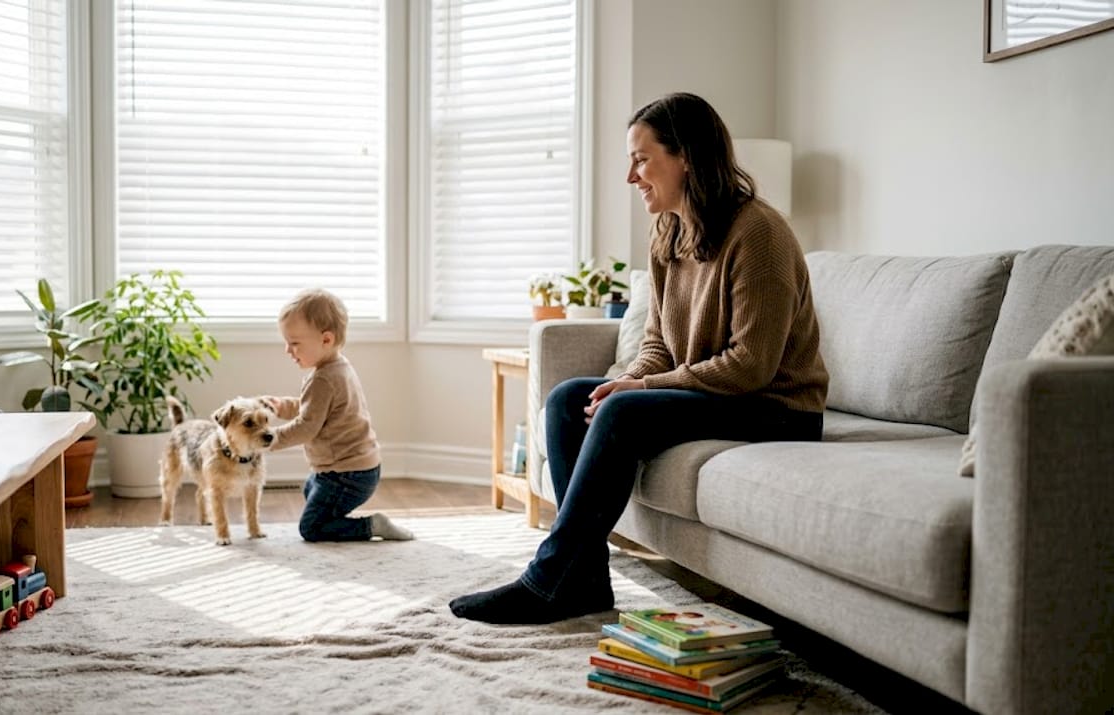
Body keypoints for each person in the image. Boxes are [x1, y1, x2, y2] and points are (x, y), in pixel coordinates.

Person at [449, 92, 829, 624]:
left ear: (687, 158)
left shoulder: (760, 234)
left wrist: (641, 391)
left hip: (776, 408)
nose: (632, 176)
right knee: (568, 400)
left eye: (642, 159)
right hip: (719, 395)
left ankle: (548, 578)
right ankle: (584, 578)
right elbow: (658, 342)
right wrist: (626, 378)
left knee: (624, 411)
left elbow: (751, 365)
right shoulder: (668, 231)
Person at [261, 288, 413, 543]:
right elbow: (314, 408)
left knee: (311, 528)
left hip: (347, 474)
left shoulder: (324, 378)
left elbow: (307, 426)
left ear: (326, 340)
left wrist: (267, 439)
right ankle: (329, 510)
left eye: (295, 343)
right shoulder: (337, 367)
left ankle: (371, 525)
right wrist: (282, 406)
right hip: (354, 469)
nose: (288, 350)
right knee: (310, 489)